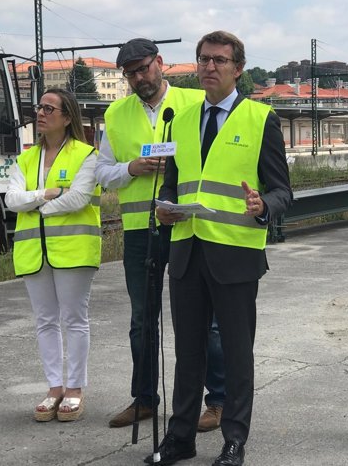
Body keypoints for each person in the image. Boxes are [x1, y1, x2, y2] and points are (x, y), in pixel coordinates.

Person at [151, 31, 292, 466]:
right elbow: (175, 182)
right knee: (187, 352)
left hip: (235, 255)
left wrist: (262, 205)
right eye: (203, 59)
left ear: (238, 69)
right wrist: (165, 207)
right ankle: (180, 437)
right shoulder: (181, 120)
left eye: (219, 60)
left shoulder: (260, 118)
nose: (209, 66)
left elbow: (283, 191)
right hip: (187, 253)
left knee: (235, 353)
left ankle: (235, 439)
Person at [95, 38, 226, 431]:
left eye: (144, 68)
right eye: (130, 73)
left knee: (207, 320)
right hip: (140, 231)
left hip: (189, 226)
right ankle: (145, 399)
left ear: (161, 64)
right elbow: (101, 173)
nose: (138, 78)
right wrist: (131, 168)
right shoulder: (116, 115)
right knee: (142, 319)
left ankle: (217, 401)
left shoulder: (193, 103)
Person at [6, 88, 101, 422]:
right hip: (34, 252)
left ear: (67, 116)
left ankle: (74, 389)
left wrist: (38, 208)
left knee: (74, 319)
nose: (41, 113)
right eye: (39, 107)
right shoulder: (26, 158)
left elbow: (79, 197)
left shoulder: (86, 155)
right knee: (45, 320)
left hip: (74, 251)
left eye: (49, 108)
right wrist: (45, 194)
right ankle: (54, 387)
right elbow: (11, 200)